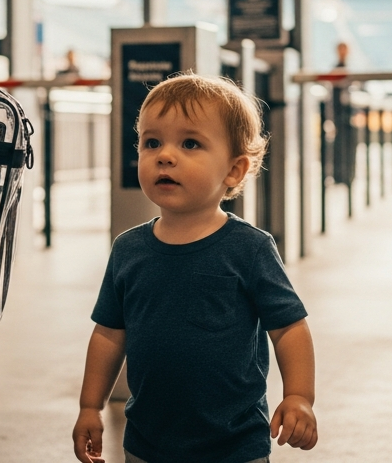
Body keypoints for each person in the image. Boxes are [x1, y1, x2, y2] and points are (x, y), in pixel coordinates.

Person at [71, 75, 318, 463]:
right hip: (147, 443)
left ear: (234, 170)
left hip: (234, 445)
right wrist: (90, 406)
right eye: (152, 142)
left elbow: (289, 328)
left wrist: (299, 396)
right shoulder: (128, 249)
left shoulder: (249, 249)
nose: (165, 155)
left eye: (190, 143)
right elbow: (108, 334)